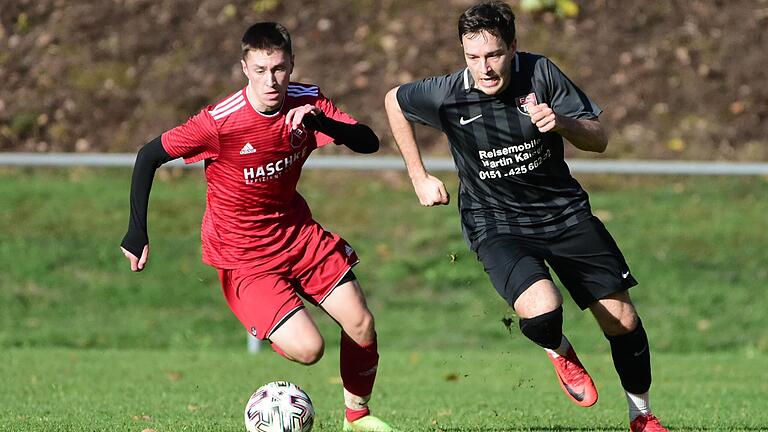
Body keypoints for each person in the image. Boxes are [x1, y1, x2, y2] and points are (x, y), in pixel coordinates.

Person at [384, 2, 668, 431]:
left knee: (622, 320)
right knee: (542, 311)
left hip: (564, 213)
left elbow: (600, 139)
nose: (484, 68)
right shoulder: (447, 92)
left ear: (513, 47)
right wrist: (419, 176)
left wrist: (563, 123)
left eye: (494, 55)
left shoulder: (541, 74)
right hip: (495, 222)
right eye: (473, 57)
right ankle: (558, 349)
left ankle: (641, 416)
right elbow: (394, 100)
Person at [120, 22, 397, 432]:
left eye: (280, 68)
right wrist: (136, 231)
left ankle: (357, 418)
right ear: (245, 68)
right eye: (262, 69)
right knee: (309, 349)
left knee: (360, 321)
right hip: (243, 255)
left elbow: (369, 142)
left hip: (297, 234)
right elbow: (148, 156)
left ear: (291, 65)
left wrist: (323, 123)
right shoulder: (220, 122)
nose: (272, 80)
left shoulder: (307, 101)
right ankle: (274, 340)